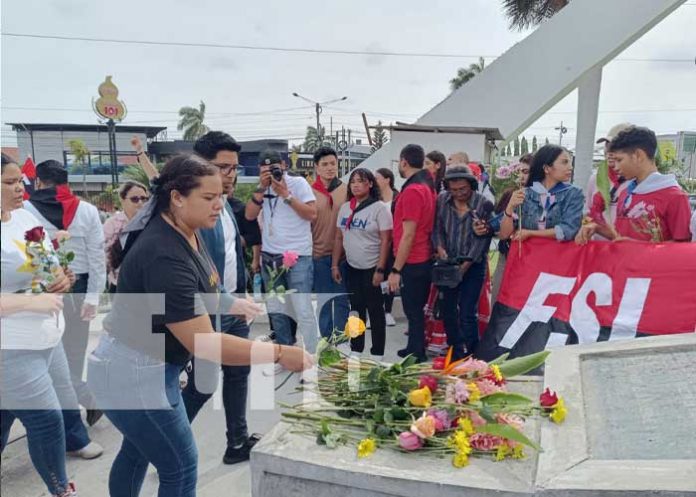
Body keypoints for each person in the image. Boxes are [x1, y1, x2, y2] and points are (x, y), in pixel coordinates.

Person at [86, 155, 313, 497]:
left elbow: (202, 285)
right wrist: (280, 353)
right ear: (177, 196)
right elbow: (205, 344)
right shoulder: (163, 253)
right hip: (130, 371)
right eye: (208, 198)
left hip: (149, 366)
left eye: (220, 195)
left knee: (138, 452)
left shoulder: (187, 232)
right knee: (179, 464)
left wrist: (230, 302)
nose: (218, 205)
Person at [1, 153, 87, 497]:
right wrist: (29, 302)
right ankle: (61, 491)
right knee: (48, 421)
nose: (19, 188)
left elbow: (47, 266)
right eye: (8, 183)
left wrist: (61, 279)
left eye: (18, 180)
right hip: (10, 349)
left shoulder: (22, 218)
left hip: (47, 339)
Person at [24, 160, 106, 428]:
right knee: (72, 355)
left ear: (39, 182)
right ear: (66, 181)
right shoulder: (89, 211)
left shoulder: (25, 210)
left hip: (40, 289)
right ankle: (86, 400)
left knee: (46, 357)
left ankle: (72, 414)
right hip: (79, 288)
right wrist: (93, 297)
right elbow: (97, 257)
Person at [245, 150, 319, 370]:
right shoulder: (262, 188)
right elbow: (249, 216)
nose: (271, 172)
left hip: (299, 256)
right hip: (270, 257)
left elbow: (311, 214)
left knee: (303, 309)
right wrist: (261, 188)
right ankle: (286, 356)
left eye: (275, 167)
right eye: (265, 168)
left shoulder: (298, 184)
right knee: (277, 310)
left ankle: (313, 357)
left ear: (284, 166)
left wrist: (286, 195)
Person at [576, 126, 692, 243]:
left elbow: (682, 246)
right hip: (623, 260)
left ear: (638, 155)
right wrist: (598, 228)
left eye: (620, 160)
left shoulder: (675, 197)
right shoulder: (626, 193)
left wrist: (637, 246)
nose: (615, 166)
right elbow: (621, 239)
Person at [433, 167, 494, 359]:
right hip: (448, 263)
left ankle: (474, 354)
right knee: (448, 310)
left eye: (463, 189)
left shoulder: (482, 203)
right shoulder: (442, 200)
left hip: (474, 265)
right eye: (454, 189)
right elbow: (437, 229)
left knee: (468, 312)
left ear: (472, 185)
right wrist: (440, 248)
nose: (459, 193)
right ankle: (455, 352)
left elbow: (483, 239)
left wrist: (464, 266)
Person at [333, 168, 393, 360]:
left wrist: (380, 269)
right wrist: (335, 264)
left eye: (361, 181)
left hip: (372, 267)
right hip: (352, 267)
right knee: (355, 309)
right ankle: (356, 348)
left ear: (370, 184)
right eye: (353, 182)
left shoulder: (379, 208)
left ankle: (377, 353)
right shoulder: (345, 208)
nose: (356, 185)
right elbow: (338, 237)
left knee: (375, 311)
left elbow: (386, 241)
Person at [387, 144, 436, 362]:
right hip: (420, 255)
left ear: (404, 162)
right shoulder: (426, 185)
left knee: (413, 310)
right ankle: (414, 347)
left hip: (413, 259)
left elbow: (408, 235)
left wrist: (396, 269)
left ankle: (417, 352)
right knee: (415, 310)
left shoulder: (413, 191)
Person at [498, 145, 584, 244]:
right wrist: (509, 208)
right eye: (565, 162)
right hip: (527, 257)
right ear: (546, 168)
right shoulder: (525, 194)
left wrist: (531, 233)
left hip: (559, 256)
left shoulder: (573, 194)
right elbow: (504, 235)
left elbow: (569, 230)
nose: (571, 167)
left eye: (570, 162)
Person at [310, 146, 349, 339]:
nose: (329, 168)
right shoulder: (309, 192)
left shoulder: (346, 189)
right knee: (324, 300)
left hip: (343, 255)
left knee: (342, 299)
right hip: (318, 254)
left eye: (333, 163)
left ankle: (341, 337)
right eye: (324, 164)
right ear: (316, 167)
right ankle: (326, 338)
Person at [487, 155, 531, 301]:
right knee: (499, 300)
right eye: (520, 171)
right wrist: (510, 208)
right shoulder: (511, 194)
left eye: (526, 172)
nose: (521, 176)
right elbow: (502, 233)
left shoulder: (547, 198)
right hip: (507, 255)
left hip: (531, 259)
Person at [103, 181, 149, 293]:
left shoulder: (152, 222)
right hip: (120, 283)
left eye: (144, 199)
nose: (140, 203)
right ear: (122, 200)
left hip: (147, 283)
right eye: (135, 199)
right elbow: (102, 254)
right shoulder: (112, 224)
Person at [374, 168, 399, 327]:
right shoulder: (374, 199)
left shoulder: (398, 198)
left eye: (377, 178)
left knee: (389, 275)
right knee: (375, 277)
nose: (374, 181)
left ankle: (387, 310)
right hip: (376, 244)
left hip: (393, 244)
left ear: (387, 179)